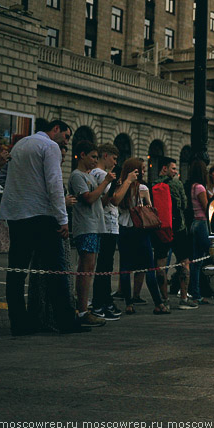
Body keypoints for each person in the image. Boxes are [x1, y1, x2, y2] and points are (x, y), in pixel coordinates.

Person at [0, 119, 80, 335]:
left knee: (16, 271)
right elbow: (54, 183)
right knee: (55, 269)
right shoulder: (50, 146)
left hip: (17, 215)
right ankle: (65, 321)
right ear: (56, 129)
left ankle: (19, 322)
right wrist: (63, 219)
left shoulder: (21, 145)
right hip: (42, 215)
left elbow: (3, 177)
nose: (66, 140)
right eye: (66, 135)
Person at [68, 140, 114, 327]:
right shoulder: (77, 176)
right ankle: (82, 309)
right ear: (82, 155)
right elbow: (88, 198)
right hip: (86, 226)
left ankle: (84, 306)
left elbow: (100, 201)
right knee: (86, 268)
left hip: (95, 226)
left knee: (90, 267)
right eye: (93, 156)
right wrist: (105, 182)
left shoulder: (90, 177)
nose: (95, 160)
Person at [116, 158, 169, 315]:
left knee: (125, 268)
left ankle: (128, 304)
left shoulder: (120, 186)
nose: (144, 171)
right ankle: (158, 303)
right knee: (149, 267)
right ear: (136, 170)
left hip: (124, 229)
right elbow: (150, 207)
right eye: (142, 168)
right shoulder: (143, 188)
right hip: (140, 230)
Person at [152, 156, 198, 310]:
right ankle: (184, 298)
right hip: (179, 228)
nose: (175, 171)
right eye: (173, 168)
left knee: (160, 264)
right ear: (165, 168)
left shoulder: (154, 185)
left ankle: (164, 299)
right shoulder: (177, 184)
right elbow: (184, 204)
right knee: (184, 261)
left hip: (162, 229)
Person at [186, 160, 214, 306]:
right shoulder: (199, 187)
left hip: (195, 223)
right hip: (202, 224)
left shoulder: (193, 187)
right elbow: (208, 207)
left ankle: (196, 294)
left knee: (197, 261)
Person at [89, 143, 122, 321]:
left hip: (105, 223)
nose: (115, 163)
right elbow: (114, 200)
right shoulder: (102, 175)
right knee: (105, 265)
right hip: (107, 223)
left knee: (104, 265)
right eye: (114, 158)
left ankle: (103, 300)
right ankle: (100, 301)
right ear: (106, 156)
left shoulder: (96, 174)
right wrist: (127, 183)